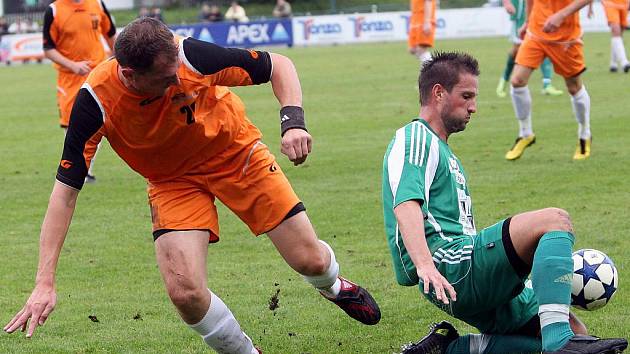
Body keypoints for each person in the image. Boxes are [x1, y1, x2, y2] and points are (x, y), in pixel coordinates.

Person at [3, 18, 381, 353]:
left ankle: (334, 287)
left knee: (309, 260)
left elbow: (278, 65)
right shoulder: (94, 101)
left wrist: (293, 120)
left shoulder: (189, 56)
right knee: (184, 292)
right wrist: (44, 281)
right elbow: (65, 192)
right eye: (166, 79)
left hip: (236, 155)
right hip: (172, 182)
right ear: (131, 75)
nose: (177, 79)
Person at [382, 51, 628, 354]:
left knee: (577, 330)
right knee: (554, 221)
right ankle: (559, 343)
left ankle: (451, 348)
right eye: (466, 96)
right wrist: (425, 265)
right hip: (450, 265)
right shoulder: (416, 138)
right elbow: (405, 203)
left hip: (459, 272)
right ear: (438, 93)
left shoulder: (442, 150)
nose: (474, 107)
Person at [506, 0, 593, 161]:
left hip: (565, 37)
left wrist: (561, 15)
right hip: (536, 33)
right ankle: (525, 134)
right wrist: (527, 21)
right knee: (517, 81)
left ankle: (585, 134)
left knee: (574, 87)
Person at [42, 0, 116, 183]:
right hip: (70, 79)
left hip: (99, 76)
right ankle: (75, 168)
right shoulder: (54, 10)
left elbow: (111, 35)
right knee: (70, 125)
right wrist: (72, 65)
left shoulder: (97, 4)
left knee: (99, 121)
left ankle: (85, 170)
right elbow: (48, 49)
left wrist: (121, 60)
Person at [496, 0, 563, 98]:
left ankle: (547, 84)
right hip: (520, 13)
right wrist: (506, 2)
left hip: (539, 12)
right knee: (516, 50)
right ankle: (504, 80)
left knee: (544, 43)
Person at [601, 0, 630, 72]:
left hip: (624, 3)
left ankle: (613, 63)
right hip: (610, 3)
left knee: (619, 34)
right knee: (616, 31)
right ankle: (624, 62)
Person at [408, 0, 436, 66]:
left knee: (421, 49)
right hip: (415, 21)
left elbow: (428, 2)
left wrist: (427, 22)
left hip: (423, 21)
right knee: (412, 49)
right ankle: (432, 70)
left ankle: (432, 72)